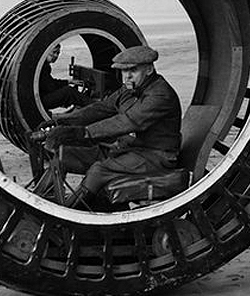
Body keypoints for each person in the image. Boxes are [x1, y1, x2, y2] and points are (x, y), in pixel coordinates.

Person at [42, 45, 181, 209]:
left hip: (155, 156)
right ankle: (42, 204)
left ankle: (68, 215)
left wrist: (83, 132)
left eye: (133, 70)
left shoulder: (160, 94)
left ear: (149, 69)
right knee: (62, 156)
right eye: (124, 71)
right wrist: (61, 122)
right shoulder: (131, 88)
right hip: (129, 150)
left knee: (98, 171)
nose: (127, 76)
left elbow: (128, 121)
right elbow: (102, 108)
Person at [38, 43, 88, 110]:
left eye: (58, 53)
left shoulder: (42, 65)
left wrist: (68, 82)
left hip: (40, 99)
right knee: (69, 92)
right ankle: (96, 106)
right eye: (54, 52)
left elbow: (50, 82)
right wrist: (65, 88)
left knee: (68, 91)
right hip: (41, 101)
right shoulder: (43, 67)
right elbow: (50, 87)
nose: (56, 55)